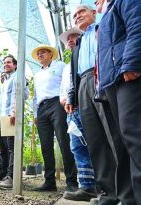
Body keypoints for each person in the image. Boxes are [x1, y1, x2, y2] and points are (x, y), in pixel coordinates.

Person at [66, 4, 135, 204]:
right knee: (95, 140)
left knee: (114, 136)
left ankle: (126, 193)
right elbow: (74, 73)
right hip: (83, 86)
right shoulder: (77, 44)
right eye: (75, 15)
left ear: (93, 13)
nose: (78, 16)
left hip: (103, 77)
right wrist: (73, 97)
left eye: (82, 12)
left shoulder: (102, 27)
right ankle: (108, 193)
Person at [96, 0, 141, 203]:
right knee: (124, 140)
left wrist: (133, 61)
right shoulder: (107, 12)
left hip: (127, 74)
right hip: (113, 80)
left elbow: (137, 23)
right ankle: (130, 198)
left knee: (134, 135)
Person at [32, 45, 77, 192]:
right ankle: (49, 182)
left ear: (51, 54)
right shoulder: (37, 74)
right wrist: (35, 114)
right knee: (45, 145)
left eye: (43, 52)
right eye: (38, 53)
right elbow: (35, 95)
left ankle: (71, 181)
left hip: (57, 104)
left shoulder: (60, 66)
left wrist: (67, 100)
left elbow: (66, 83)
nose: (40, 55)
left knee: (64, 141)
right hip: (41, 108)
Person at [59, 28, 97, 201]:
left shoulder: (86, 58)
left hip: (85, 105)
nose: (71, 40)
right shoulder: (68, 66)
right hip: (71, 110)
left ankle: (101, 185)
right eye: (68, 39)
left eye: (74, 36)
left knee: (93, 144)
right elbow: (64, 89)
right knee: (77, 147)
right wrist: (66, 100)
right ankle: (87, 185)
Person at [0, 55, 28, 189]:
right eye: (4, 63)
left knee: (12, 148)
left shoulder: (18, 77)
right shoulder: (5, 80)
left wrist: (14, 112)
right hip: (3, 117)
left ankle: (12, 177)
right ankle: (6, 176)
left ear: (15, 65)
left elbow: (22, 94)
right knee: (4, 148)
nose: (6, 64)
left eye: (8, 62)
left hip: (11, 116)